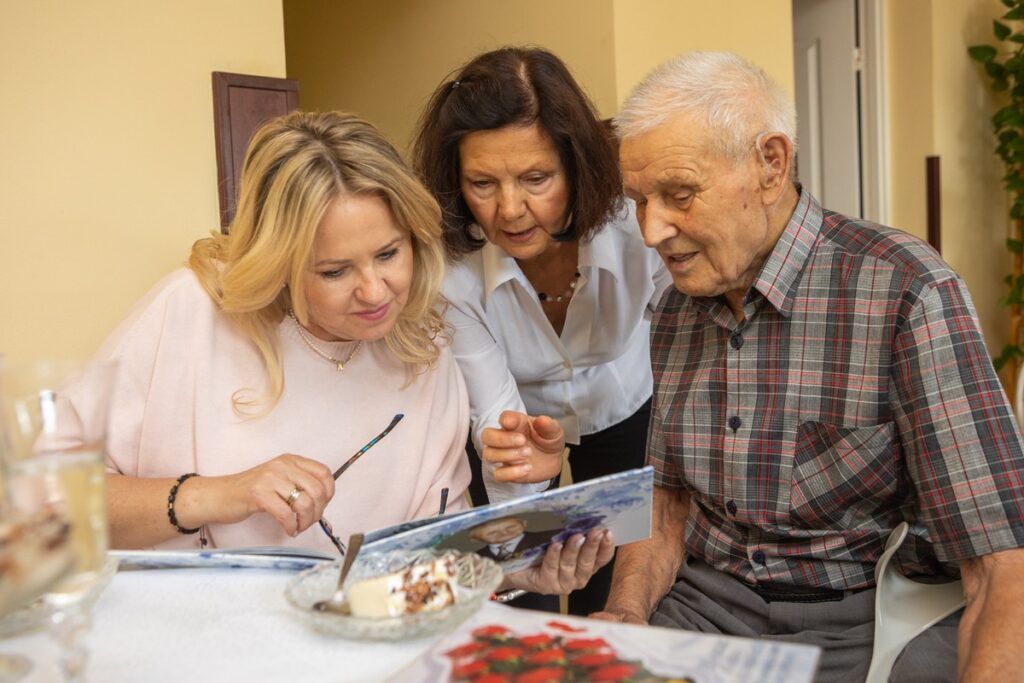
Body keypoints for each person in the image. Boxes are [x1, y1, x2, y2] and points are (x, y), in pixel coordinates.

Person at [486, 51, 1024, 682]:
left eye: (679, 194)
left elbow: (999, 564)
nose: (653, 230)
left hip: (871, 619)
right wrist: (627, 611)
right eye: (639, 201)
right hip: (705, 608)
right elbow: (666, 500)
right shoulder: (677, 306)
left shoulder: (907, 293)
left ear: (771, 164)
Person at [60, 110, 612, 596]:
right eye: (334, 271)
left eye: (389, 253)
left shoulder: (423, 343)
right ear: (279, 265)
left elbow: (427, 560)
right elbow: (46, 503)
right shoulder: (192, 311)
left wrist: (515, 569)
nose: (375, 292)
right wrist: (216, 495)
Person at [413, 46, 670, 615]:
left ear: (576, 167)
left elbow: (684, 339)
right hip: (516, 419)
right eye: (482, 183)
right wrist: (519, 478)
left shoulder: (637, 227)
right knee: (515, 591)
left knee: (608, 585)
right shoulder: (449, 275)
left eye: (535, 178)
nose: (509, 210)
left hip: (621, 401)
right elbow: (493, 409)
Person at [467, 515, 557, 562]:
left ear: (524, 524)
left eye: (511, 527)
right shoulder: (473, 559)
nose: (504, 533)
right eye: (492, 533)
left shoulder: (552, 538)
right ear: (475, 539)